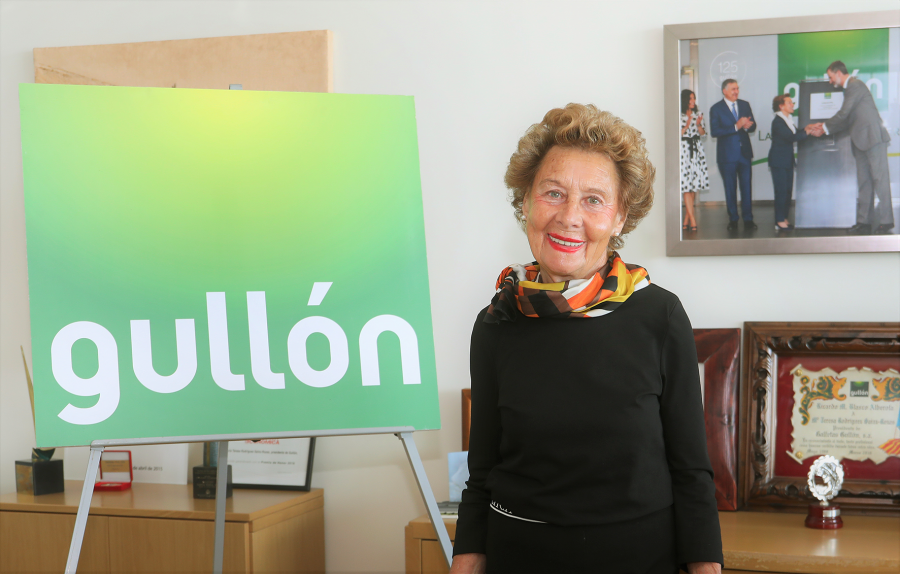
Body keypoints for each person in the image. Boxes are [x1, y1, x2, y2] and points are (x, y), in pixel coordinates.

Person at [450, 104, 723, 574]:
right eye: (553, 193)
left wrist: (706, 567)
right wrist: (466, 562)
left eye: (594, 199)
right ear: (527, 204)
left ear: (620, 217)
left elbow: (691, 472)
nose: (570, 217)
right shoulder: (499, 319)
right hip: (519, 558)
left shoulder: (660, 315)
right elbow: (483, 473)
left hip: (639, 559)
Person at [807, 61, 893, 235]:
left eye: (831, 77)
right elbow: (846, 120)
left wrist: (823, 127)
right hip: (860, 141)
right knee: (864, 183)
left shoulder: (855, 85)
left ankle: (886, 221)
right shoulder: (850, 90)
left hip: (873, 139)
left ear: (839, 73)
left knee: (880, 181)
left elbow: (843, 114)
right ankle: (864, 222)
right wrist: (823, 130)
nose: (830, 81)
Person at [709, 79, 756, 231]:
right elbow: (715, 132)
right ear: (724, 91)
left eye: (737, 88)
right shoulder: (716, 109)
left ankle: (748, 220)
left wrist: (749, 126)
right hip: (727, 156)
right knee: (730, 189)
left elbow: (753, 124)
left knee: (746, 188)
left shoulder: (744, 104)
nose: (736, 91)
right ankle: (733, 220)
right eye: (733, 89)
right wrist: (736, 126)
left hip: (744, 153)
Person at [767, 94, 808, 231]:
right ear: (781, 106)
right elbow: (791, 137)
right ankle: (779, 221)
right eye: (789, 102)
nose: (792, 105)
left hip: (787, 161)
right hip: (779, 162)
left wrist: (809, 129)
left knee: (787, 192)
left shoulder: (787, 119)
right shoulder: (778, 122)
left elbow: (797, 133)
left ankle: (784, 218)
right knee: (781, 192)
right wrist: (807, 131)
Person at [680, 89, 709, 232]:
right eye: (690, 98)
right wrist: (687, 125)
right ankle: (692, 219)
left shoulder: (698, 115)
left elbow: (704, 135)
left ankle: (686, 220)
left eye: (694, 98)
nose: (693, 101)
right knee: (686, 187)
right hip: (684, 151)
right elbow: (677, 134)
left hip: (696, 151)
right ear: (685, 100)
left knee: (693, 187)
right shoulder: (679, 116)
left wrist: (698, 124)